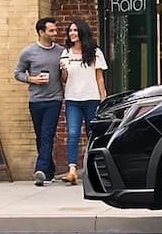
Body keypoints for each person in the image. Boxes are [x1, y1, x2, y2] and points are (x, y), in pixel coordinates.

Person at [15, 17, 64, 186]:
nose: (55, 33)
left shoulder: (61, 51)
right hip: (35, 100)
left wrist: (64, 71)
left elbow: (65, 76)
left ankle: (40, 169)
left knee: (47, 135)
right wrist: (32, 79)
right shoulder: (28, 52)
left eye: (55, 30)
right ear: (41, 32)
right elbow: (18, 73)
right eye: (51, 30)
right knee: (40, 136)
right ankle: (49, 171)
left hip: (54, 99)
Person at [58, 18, 108, 185]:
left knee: (92, 134)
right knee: (72, 134)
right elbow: (64, 79)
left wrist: (103, 99)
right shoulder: (66, 53)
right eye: (70, 31)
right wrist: (64, 71)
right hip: (73, 99)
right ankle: (72, 170)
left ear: (82, 32)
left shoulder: (95, 52)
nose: (72, 33)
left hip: (92, 99)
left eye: (75, 30)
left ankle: (92, 168)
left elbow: (99, 78)